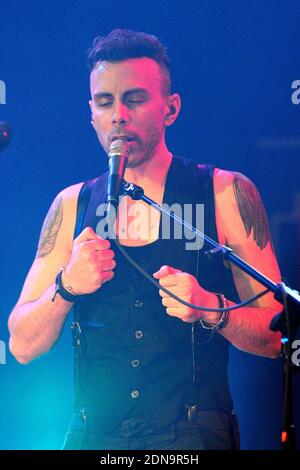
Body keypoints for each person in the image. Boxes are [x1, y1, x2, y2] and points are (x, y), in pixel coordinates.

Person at [8, 29, 282, 450]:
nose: (119, 114)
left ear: (170, 108)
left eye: (134, 99)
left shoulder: (224, 192)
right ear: (92, 113)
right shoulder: (72, 204)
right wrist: (65, 287)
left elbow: (276, 336)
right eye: (105, 102)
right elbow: (23, 345)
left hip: (193, 435)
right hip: (93, 435)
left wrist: (213, 308)